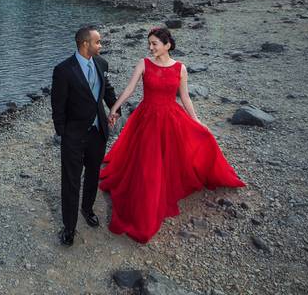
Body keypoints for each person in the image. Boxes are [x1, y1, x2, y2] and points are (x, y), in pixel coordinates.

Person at [99, 27, 245, 243]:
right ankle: (147, 200)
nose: (150, 47)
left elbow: (185, 98)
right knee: (148, 162)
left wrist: (196, 121)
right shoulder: (144, 64)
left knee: (179, 150)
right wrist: (114, 108)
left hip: (170, 117)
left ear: (167, 45)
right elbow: (130, 89)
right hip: (147, 118)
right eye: (149, 43)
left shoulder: (180, 68)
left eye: (154, 43)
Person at [51, 25, 120, 247]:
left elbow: (107, 90)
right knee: (71, 181)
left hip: (98, 131)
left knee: (92, 174)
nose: (101, 45)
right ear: (85, 44)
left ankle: (87, 209)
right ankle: (69, 227)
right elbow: (57, 106)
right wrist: (63, 133)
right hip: (74, 135)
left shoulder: (102, 63)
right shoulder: (63, 70)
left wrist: (114, 110)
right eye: (98, 42)